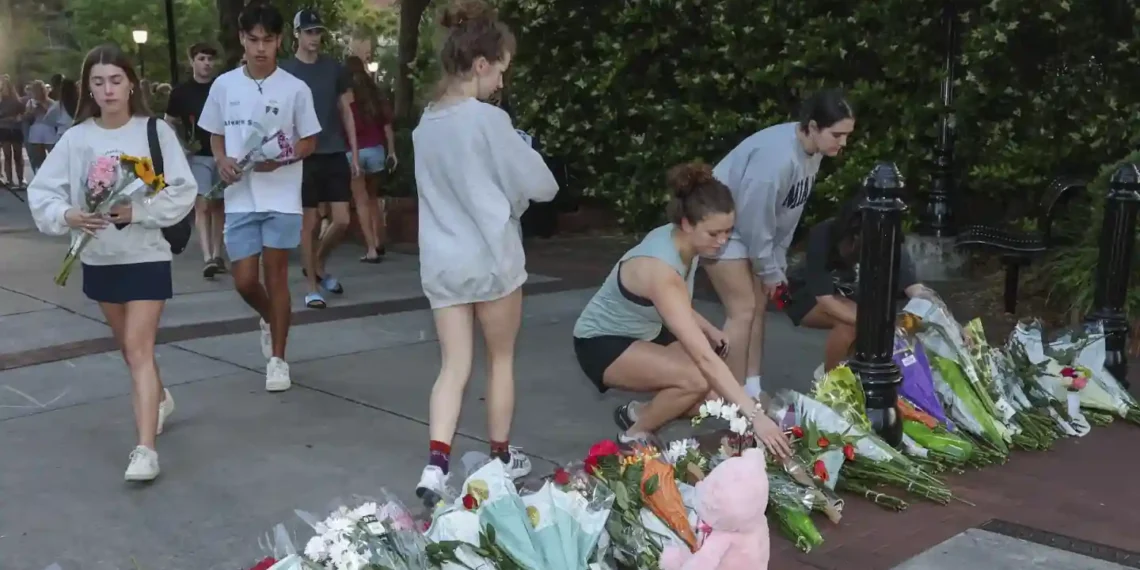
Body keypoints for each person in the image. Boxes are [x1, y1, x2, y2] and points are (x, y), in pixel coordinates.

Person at [26, 44, 197, 481]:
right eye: (98, 82)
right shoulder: (78, 138)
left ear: (131, 82)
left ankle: (145, 450)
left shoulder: (155, 131)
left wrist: (138, 212)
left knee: (139, 348)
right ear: (88, 88)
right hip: (99, 258)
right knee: (128, 348)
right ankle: (158, 399)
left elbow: (182, 188)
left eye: (115, 80)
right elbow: (44, 190)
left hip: (146, 255)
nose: (107, 89)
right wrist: (68, 215)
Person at [412, 0, 558, 505]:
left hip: (442, 262)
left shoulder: (424, 125)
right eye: (500, 71)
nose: (501, 83)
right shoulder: (490, 121)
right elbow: (542, 185)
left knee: (452, 365)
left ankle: (436, 464)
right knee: (500, 360)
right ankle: (499, 458)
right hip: (493, 258)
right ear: (480, 65)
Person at [572, 162, 793, 457]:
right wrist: (757, 418)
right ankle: (633, 436)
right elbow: (704, 358)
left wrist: (709, 328)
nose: (723, 241)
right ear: (687, 223)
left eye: (728, 231)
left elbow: (674, 303)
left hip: (646, 328)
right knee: (700, 379)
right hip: (602, 342)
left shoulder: (684, 241)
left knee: (713, 398)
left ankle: (639, 412)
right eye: (714, 233)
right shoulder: (660, 269)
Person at [198, 2, 321, 392]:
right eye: (253, 40)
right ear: (242, 40)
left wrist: (285, 156)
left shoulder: (295, 88)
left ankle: (278, 360)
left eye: (268, 40)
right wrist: (220, 160)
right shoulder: (224, 85)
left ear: (280, 41)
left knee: (277, 275)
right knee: (245, 281)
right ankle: (272, 317)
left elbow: (310, 139)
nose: (261, 48)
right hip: (239, 197)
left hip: (282, 195)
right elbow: (215, 133)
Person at [704, 88, 855, 399]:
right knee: (743, 310)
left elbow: (787, 212)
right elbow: (753, 220)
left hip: (747, 229)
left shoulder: (812, 152)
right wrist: (770, 271)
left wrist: (776, 263)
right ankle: (729, 399)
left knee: (756, 307)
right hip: (719, 229)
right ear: (813, 127)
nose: (843, 143)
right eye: (838, 135)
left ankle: (752, 389)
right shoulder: (776, 160)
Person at [785, 192, 930, 375]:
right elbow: (825, 300)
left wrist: (951, 328)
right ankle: (831, 382)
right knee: (855, 323)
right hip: (804, 294)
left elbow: (917, 291)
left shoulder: (891, 243)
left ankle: (854, 372)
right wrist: (876, 324)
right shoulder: (824, 234)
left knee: (879, 323)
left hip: (853, 298)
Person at [280, 9, 360, 309]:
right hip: (304, 155)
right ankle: (312, 286)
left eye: (318, 32)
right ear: (297, 34)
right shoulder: (286, 71)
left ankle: (316, 264)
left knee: (341, 220)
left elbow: (346, 111)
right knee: (310, 223)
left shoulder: (334, 69)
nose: (314, 37)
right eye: (309, 31)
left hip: (334, 150)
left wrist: (354, 153)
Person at [166, 42, 228, 279]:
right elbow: (169, 119)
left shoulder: (221, 88)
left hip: (222, 152)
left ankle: (217, 252)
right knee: (202, 204)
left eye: (210, 59)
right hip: (197, 154)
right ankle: (208, 257)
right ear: (192, 61)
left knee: (219, 204)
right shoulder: (181, 92)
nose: (207, 64)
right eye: (202, 59)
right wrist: (181, 145)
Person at [344, 55, 396, 263]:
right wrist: (391, 151)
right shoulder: (375, 94)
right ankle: (379, 240)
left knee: (361, 201)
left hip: (353, 152)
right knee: (374, 198)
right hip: (376, 150)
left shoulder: (346, 97)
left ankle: (371, 249)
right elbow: (387, 126)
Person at [0, 78, 26, 189]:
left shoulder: (17, 101)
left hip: (15, 129)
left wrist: (17, 118)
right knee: (7, 155)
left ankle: (21, 180)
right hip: (4, 129)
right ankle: (9, 180)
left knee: (18, 155)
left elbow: (23, 113)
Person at [25, 80, 55, 173]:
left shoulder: (50, 102)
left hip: (49, 130)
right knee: (38, 157)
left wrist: (43, 105)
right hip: (35, 130)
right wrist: (31, 112)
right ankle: (40, 176)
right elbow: (26, 117)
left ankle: (53, 175)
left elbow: (54, 115)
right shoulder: (30, 102)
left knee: (53, 155)